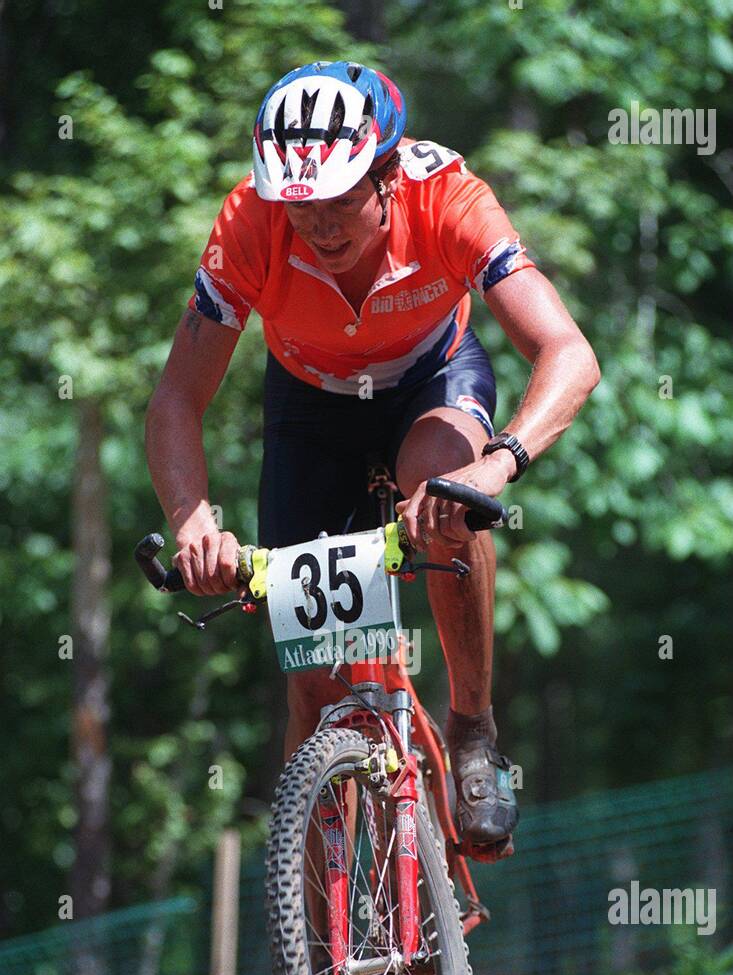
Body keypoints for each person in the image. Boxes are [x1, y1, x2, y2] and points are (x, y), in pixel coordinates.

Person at [146, 60, 600, 852]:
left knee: (446, 500)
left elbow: (568, 352)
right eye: (302, 207)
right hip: (311, 405)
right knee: (314, 689)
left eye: (341, 200)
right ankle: (322, 944)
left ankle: (471, 729)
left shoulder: (449, 200)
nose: (320, 226)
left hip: (430, 379)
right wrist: (192, 522)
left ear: (385, 174)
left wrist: (498, 463)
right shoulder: (250, 222)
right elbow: (176, 398)